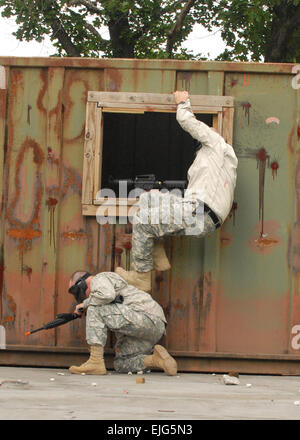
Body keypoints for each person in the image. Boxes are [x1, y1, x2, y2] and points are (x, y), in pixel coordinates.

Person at [116, 90, 238, 292]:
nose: (207, 129)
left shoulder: (217, 143)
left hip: (200, 213)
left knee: (141, 221)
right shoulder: (214, 159)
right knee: (149, 199)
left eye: (209, 128)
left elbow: (187, 121)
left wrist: (183, 102)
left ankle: (140, 277)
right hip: (198, 211)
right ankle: (158, 255)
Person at [68, 270, 177, 376]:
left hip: (146, 317)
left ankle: (95, 361)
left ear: (82, 284)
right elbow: (122, 320)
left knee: (94, 309)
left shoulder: (99, 278)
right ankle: (155, 360)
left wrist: (85, 304)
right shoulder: (104, 292)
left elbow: (107, 295)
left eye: (76, 292)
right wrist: (120, 344)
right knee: (121, 363)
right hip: (155, 327)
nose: (79, 297)